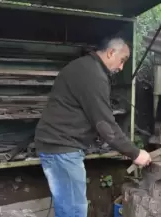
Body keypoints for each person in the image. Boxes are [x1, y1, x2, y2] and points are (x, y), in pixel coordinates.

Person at [34, 37, 152, 217]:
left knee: (68, 207)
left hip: (58, 146)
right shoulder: (93, 74)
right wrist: (135, 153)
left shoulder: (85, 67)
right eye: (122, 60)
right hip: (63, 149)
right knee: (74, 211)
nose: (121, 67)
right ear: (111, 52)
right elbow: (105, 125)